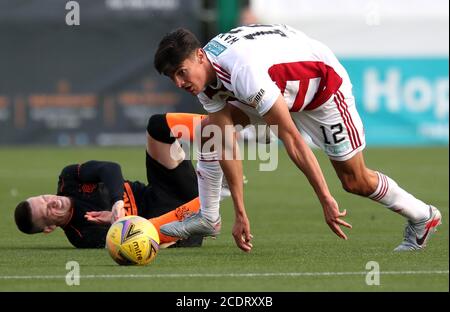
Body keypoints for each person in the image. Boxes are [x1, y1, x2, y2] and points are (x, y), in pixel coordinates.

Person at [153, 24, 442, 252]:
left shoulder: (243, 71)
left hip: (322, 89)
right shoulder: (203, 80)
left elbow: (291, 139)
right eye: (172, 78)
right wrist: (240, 213)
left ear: (200, 56)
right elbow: (225, 143)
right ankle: (208, 217)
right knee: (210, 131)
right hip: (279, 85)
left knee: (355, 181)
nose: (179, 83)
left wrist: (325, 198)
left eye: (181, 72)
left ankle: (422, 216)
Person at [14, 113, 229, 249]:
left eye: (44, 198)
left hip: (161, 188)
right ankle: (208, 208)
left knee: (157, 126)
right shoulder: (81, 235)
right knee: (151, 233)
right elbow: (134, 244)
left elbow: (110, 168)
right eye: (47, 211)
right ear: (49, 228)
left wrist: (117, 202)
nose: (52, 201)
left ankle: (221, 126)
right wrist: (117, 223)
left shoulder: (68, 179)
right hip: (167, 222)